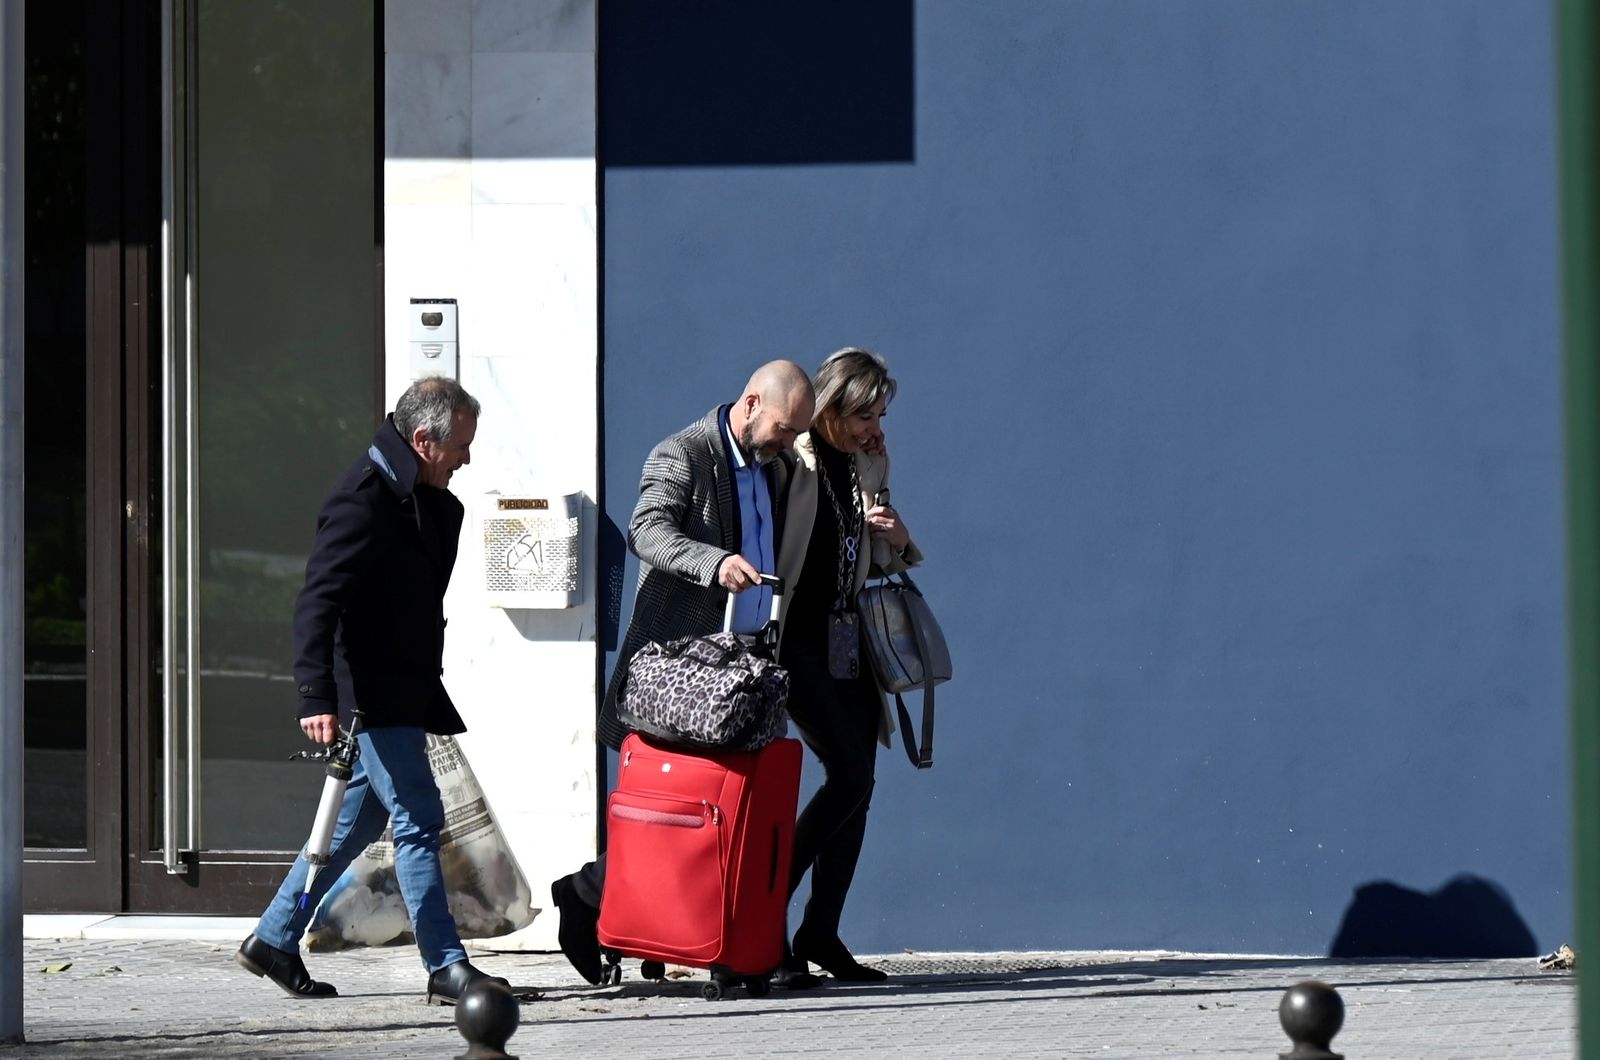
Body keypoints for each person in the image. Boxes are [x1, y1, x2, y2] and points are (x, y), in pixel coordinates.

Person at [235, 376, 507, 1005]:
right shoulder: (364, 498)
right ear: (422, 439)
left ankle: (274, 938)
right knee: (417, 813)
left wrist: (438, 499)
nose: (467, 457)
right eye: (460, 445)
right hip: (372, 692)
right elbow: (317, 603)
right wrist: (315, 695)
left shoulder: (416, 494)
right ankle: (445, 966)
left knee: (358, 824)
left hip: (402, 686)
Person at [549, 360, 817, 986]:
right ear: (751, 404)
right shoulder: (683, 453)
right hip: (682, 673)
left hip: (747, 666)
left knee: (741, 811)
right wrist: (715, 563)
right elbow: (647, 530)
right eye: (782, 426)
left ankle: (750, 949)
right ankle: (588, 898)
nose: (787, 441)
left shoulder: (776, 467)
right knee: (682, 816)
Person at [774, 347, 921, 983]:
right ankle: (766, 911)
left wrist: (897, 539)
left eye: (881, 415)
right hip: (794, 639)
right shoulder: (789, 459)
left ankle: (820, 930)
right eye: (866, 415)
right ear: (831, 408)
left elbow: (874, 564)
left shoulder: (871, 461)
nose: (876, 428)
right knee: (850, 773)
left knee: (860, 785)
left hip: (846, 636)